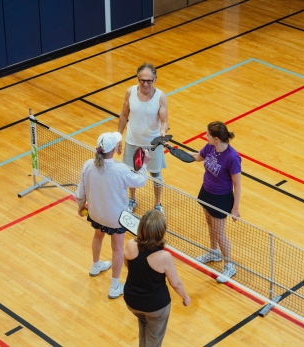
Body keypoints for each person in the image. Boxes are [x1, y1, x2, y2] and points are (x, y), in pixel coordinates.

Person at [75, 132, 150, 298]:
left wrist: (81, 205)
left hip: (96, 214)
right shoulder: (120, 170)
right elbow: (140, 181)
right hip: (115, 219)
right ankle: (115, 286)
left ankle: (95, 265)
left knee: (98, 236)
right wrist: (144, 165)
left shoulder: (88, 165)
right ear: (116, 149)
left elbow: (80, 190)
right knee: (117, 249)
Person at [123, 209, 190, 347]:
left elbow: (126, 264)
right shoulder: (164, 257)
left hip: (133, 301)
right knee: (154, 339)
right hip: (155, 307)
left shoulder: (130, 244)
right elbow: (175, 283)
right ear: (161, 232)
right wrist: (185, 297)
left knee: (144, 326)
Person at [191, 121, 242, 283]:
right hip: (206, 191)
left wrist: (235, 208)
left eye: (207, 135)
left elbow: (237, 184)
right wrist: (176, 152)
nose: (205, 136)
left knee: (220, 232)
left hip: (221, 198)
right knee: (210, 223)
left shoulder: (232, 157)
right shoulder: (210, 148)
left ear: (216, 139)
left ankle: (229, 265)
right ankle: (214, 252)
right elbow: (198, 157)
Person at [118, 62, 169, 214]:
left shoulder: (160, 97)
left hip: (153, 144)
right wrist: (118, 136)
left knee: (155, 174)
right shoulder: (130, 92)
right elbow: (124, 115)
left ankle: (158, 204)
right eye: (142, 80)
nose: (146, 84)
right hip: (132, 140)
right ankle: (132, 199)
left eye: (149, 81)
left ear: (155, 79)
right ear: (137, 78)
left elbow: (165, 121)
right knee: (131, 172)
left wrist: (162, 132)